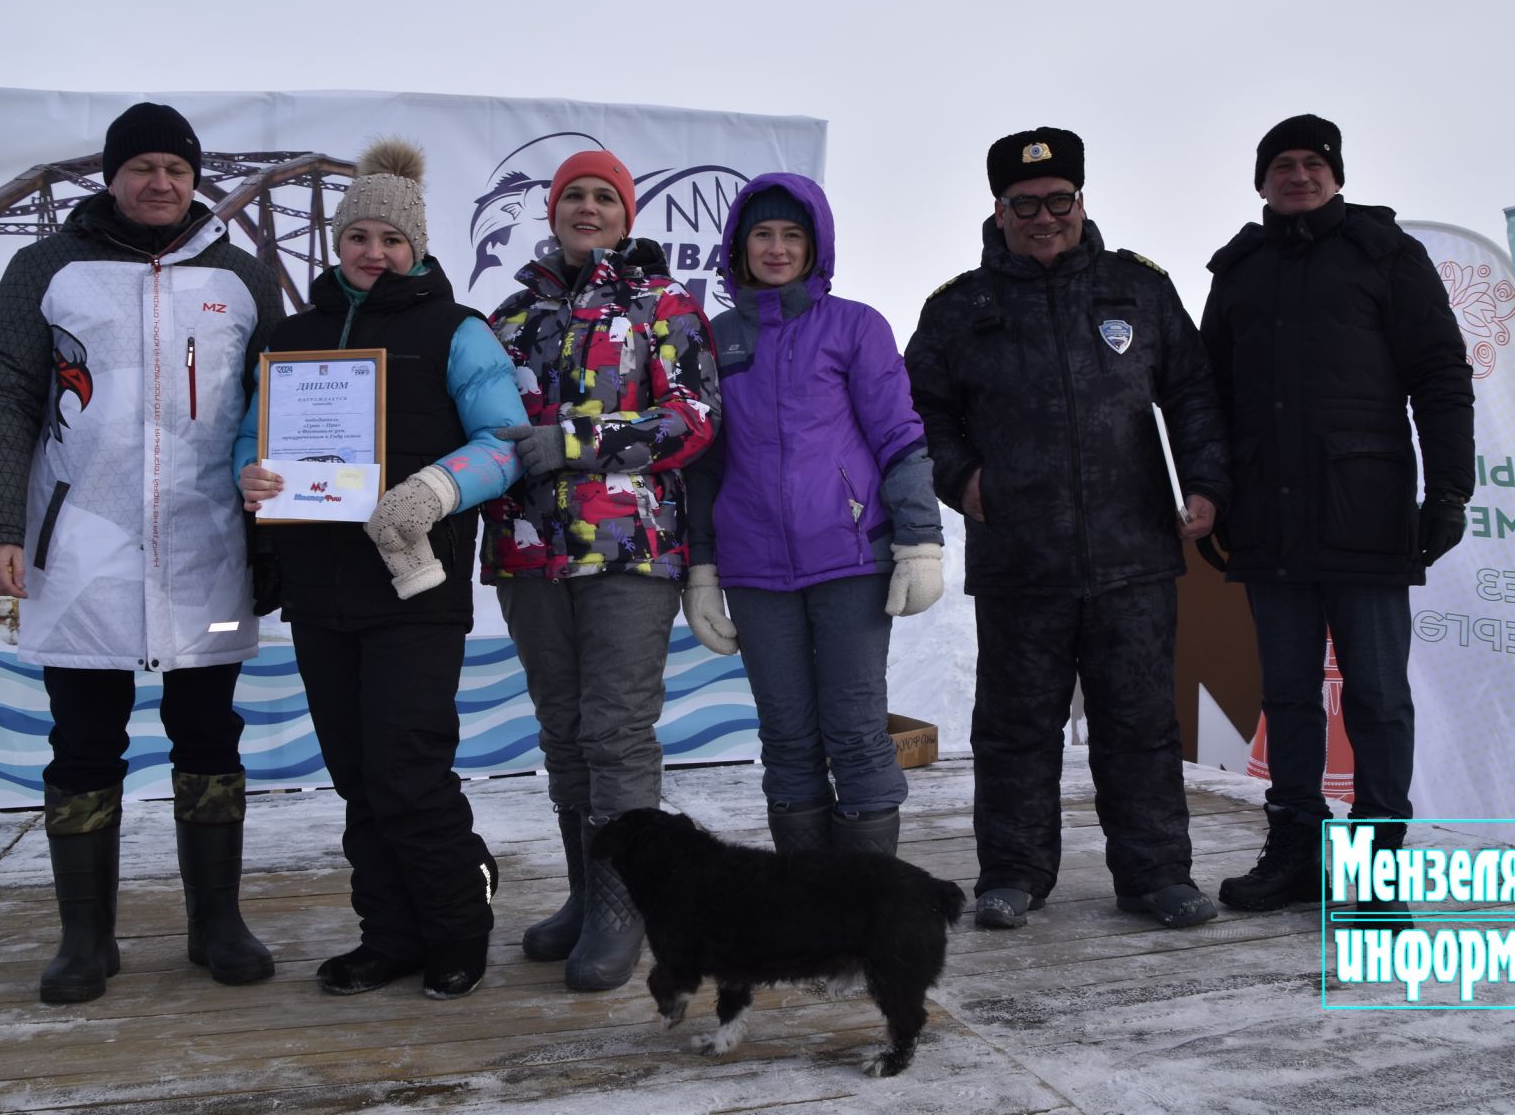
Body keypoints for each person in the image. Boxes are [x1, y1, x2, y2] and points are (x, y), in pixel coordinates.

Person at [0, 102, 282, 1003]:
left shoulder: (239, 276)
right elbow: (1, 394)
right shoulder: (48, 269)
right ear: (111, 177)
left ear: (194, 181)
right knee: (83, 738)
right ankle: (85, 939)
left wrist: (285, 520)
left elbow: (283, 404)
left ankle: (217, 924)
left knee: (211, 731)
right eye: (142, 167)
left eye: (177, 171)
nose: (160, 184)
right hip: (82, 553)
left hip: (209, 552)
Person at [904, 127, 1228, 931]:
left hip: (1135, 553)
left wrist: (1207, 483)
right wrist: (963, 478)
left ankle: (1156, 875)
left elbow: (1191, 394)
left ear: (1081, 201)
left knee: (1140, 723)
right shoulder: (958, 310)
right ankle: (1013, 873)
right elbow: (921, 414)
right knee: (1015, 727)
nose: (1043, 217)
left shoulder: (1138, 291)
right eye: (1025, 204)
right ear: (999, 209)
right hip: (1019, 554)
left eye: (1058, 201)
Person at [236, 140, 525, 997]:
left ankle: (457, 926)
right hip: (319, 591)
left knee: (407, 766)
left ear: (418, 247)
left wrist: (436, 489)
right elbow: (246, 442)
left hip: (414, 585)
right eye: (358, 236)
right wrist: (246, 475)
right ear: (338, 244)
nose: (374, 252)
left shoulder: (457, 331)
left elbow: (504, 446)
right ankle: (389, 934)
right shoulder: (293, 338)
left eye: (390, 240)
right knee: (357, 774)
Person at [1201, 114, 1474, 912]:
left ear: (1337, 176)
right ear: (1261, 183)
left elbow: (1441, 374)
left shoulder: (1387, 255)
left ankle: (1377, 867)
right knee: (1287, 692)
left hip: (1368, 509)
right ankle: (1296, 848)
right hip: (1267, 516)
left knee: (1378, 694)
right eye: (1281, 164)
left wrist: (1449, 488)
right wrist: (1215, 493)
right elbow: (1205, 395)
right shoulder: (1239, 268)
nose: (1298, 174)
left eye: (1314, 163)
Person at [480, 149, 721, 990]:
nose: (587, 208)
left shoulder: (662, 303)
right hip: (529, 552)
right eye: (573, 196)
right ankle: (587, 897)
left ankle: (625, 911)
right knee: (563, 729)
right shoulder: (508, 318)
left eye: (603, 198)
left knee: (616, 730)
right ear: (551, 211)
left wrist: (575, 445)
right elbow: (482, 429)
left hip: (627, 547)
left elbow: (692, 419)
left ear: (625, 213)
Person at [681, 173, 945, 856]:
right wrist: (701, 569)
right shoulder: (714, 339)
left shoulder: (855, 326)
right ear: (739, 248)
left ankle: (868, 905)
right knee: (787, 734)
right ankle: (807, 904)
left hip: (850, 558)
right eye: (762, 235)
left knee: (855, 726)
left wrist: (919, 541)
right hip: (754, 569)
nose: (776, 248)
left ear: (815, 245)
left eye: (792, 235)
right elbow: (702, 465)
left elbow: (900, 437)